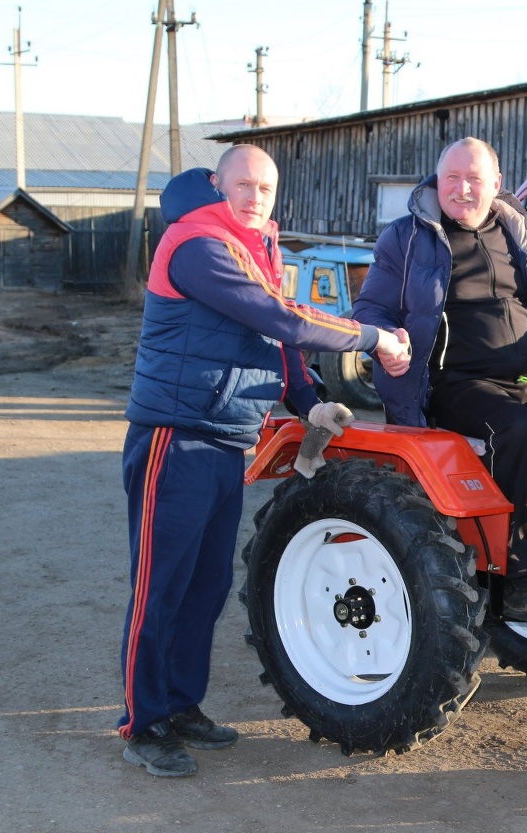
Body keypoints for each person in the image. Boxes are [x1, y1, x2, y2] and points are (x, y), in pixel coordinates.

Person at [118, 143, 411, 777]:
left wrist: (308, 400)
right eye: (244, 184)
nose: (255, 197)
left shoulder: (252, 248)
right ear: (216, 184)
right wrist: (372, 336)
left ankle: (181, 704)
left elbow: (272, 341)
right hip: (175, 435)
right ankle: (144, 723)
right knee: (160, 585)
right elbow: (281, 317)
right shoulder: (199, 244)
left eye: (267, 189)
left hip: (225, 436)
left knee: (207, 585)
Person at [352, 137, 527, 620]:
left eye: (474, 180)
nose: (462, 190)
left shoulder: (517, 233)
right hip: (455, 383)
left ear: (496, 185)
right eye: (452, 179)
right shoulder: (406, 237)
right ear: (437, 182)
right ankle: (511, 575)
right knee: (514, 429)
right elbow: (370, 307)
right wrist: (385, 340)